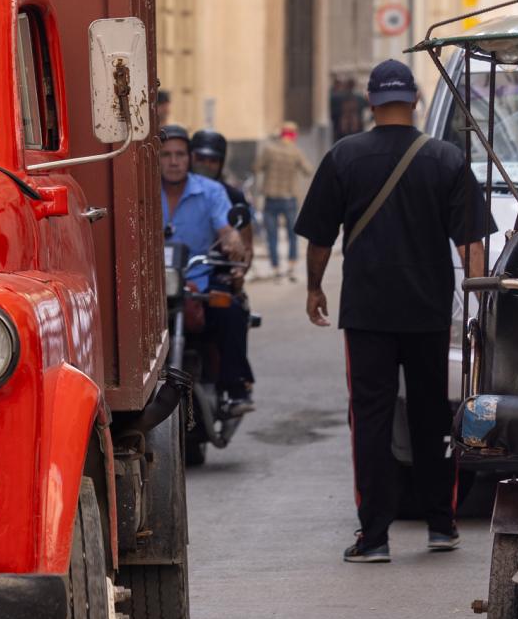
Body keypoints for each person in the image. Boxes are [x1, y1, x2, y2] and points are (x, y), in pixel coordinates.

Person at [295, 59, 493, 563]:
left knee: (371, 421)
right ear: (415, 101)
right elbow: (472, 242)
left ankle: (375, 537)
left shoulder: (344, 157)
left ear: (369, 102)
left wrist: (315, 287)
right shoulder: (445, 158)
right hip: (428, 312)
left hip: (367, 314)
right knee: (432, 418)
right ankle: (441, 525)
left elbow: (321, 237)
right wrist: (479, 302)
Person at [188, 130, 255, 414]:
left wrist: (239, 269)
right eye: (199, 157)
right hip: (175, 276)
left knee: (231, 311)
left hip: (214, 275)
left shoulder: (229, 196)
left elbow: (245, 247)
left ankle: (235, 387)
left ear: (221, 162)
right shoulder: (168, 190)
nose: (205, 164)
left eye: (211, 160)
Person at [159, 126, 236, 297]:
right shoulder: (142, 191)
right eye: (165, 155)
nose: (173, 161)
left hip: (199, 281)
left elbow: (226, 228)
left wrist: (232, 239)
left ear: (190, 158)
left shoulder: (212, 191)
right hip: (152, 285)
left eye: (180, 154)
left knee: (231, 312)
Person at [254, 123, 311, 277]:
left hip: (271, 198)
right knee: (291, 233)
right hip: (289, 198)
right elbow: (308, 170)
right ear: (294, 135)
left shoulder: (269, 150)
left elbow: (256, 168)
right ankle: (291, 263)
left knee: (272, 235)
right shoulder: (296, 152)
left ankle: (275, 267)